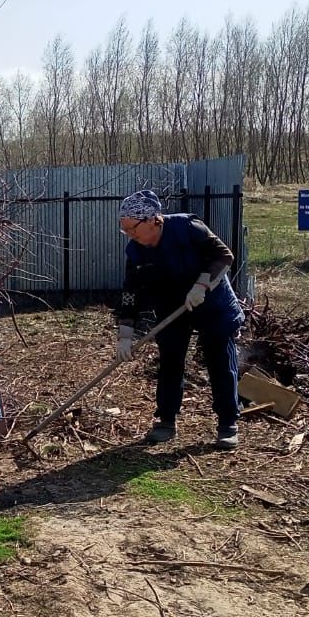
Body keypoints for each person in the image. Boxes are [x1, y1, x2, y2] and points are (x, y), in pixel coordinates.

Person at [115, 189, 244, 450]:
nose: (129, 235)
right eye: (125, 230)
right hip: (171, 304)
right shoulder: (136, 251)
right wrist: (125, 332)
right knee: (171, 359)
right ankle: (166, 421)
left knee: (219, 358)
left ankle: (228, 423)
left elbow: (223, 255)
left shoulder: (187, 226)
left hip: (210, 299)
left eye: (132, 228)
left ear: (153, 220)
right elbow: (130, 290)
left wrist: (202, 284)